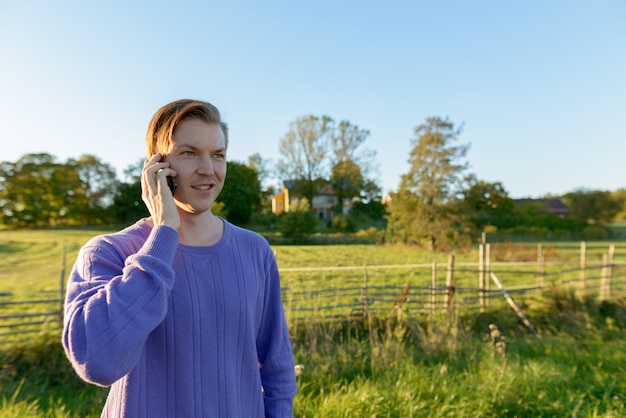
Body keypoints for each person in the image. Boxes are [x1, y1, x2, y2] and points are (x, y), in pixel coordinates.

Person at [62, 99, 297, 417]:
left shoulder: (255, 251)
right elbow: (97, 362)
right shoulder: (107, 253)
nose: (208, 169)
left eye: (218, 155)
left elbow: (277, 366)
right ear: (156, 166)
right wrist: (163, 233)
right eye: (189, 153)